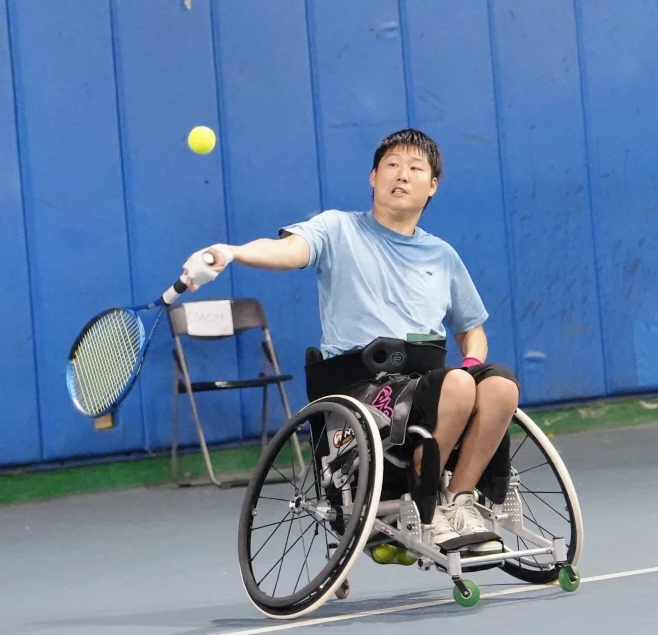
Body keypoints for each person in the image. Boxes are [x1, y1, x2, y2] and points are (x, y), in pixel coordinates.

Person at [183, 128, 519, 555]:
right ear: (373, 177)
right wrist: (233, 252)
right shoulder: (337, 228)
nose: (402, 175)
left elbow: (472, 329)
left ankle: (460, 502)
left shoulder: (442, 255)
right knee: (456, 386)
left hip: (429, 380)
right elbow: (288, 251)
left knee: (501, 386)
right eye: (392, 165)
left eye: (415, 168)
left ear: (432, 185)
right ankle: (425, 496)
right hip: (364, 386)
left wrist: (473, 360)